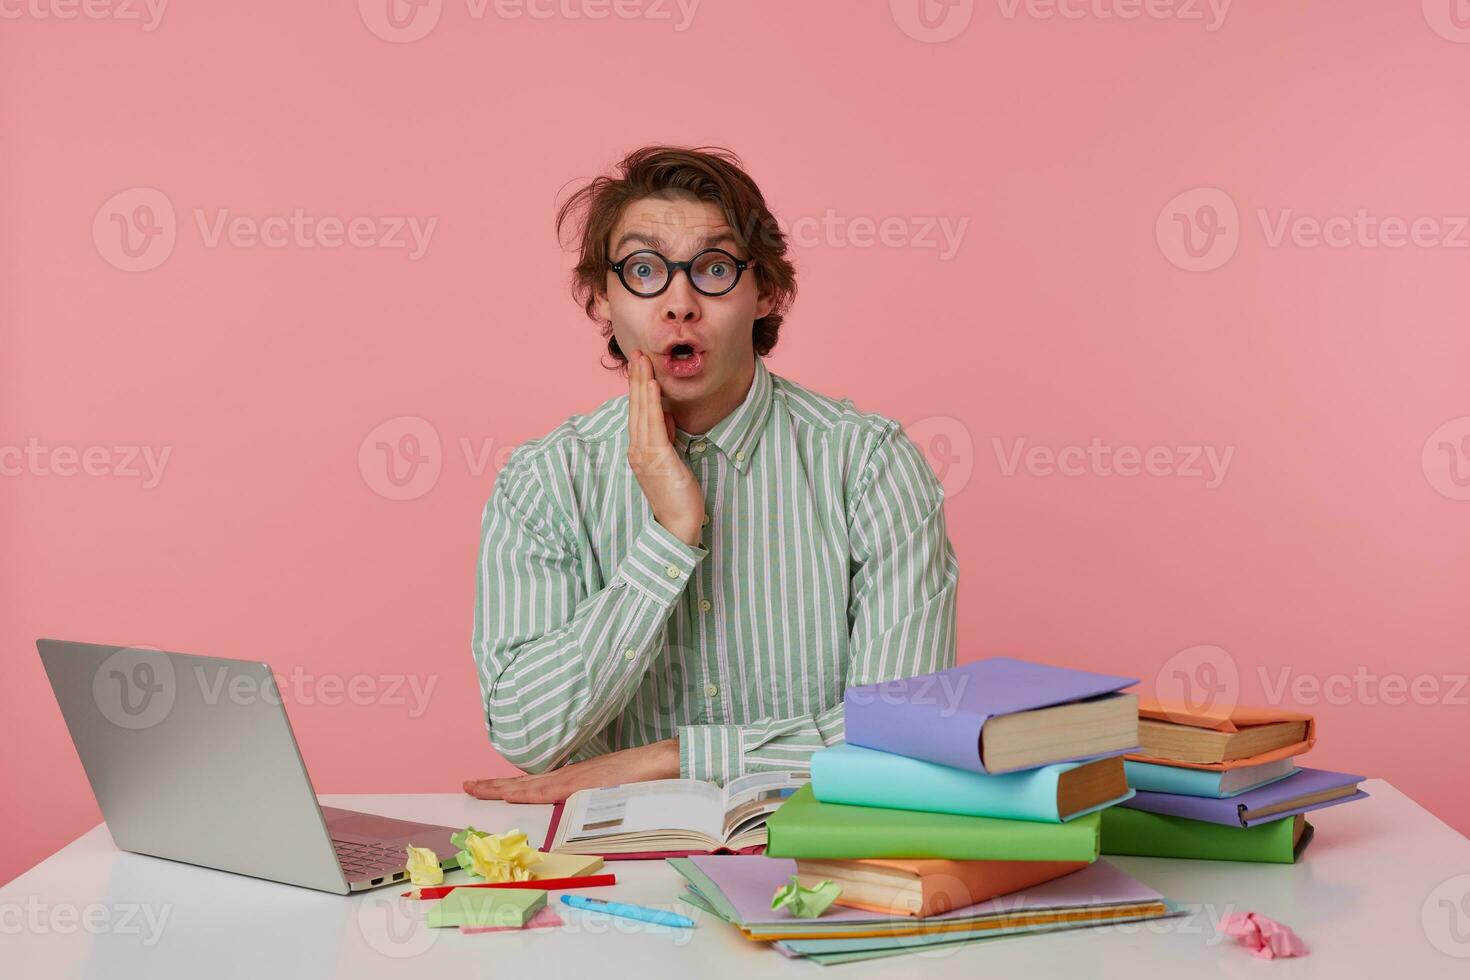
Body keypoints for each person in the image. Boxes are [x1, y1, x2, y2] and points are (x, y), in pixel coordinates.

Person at [463, 146, 958, 804]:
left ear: (767, 292)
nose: (679, 303)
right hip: (607, 869)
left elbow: (905, 734)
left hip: (813, 860)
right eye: (643, 270)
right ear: (602, 299)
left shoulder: (870, 466)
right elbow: (527, 733)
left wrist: (678, 758)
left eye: (714, 268)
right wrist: (669, 536)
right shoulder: (546, 480)